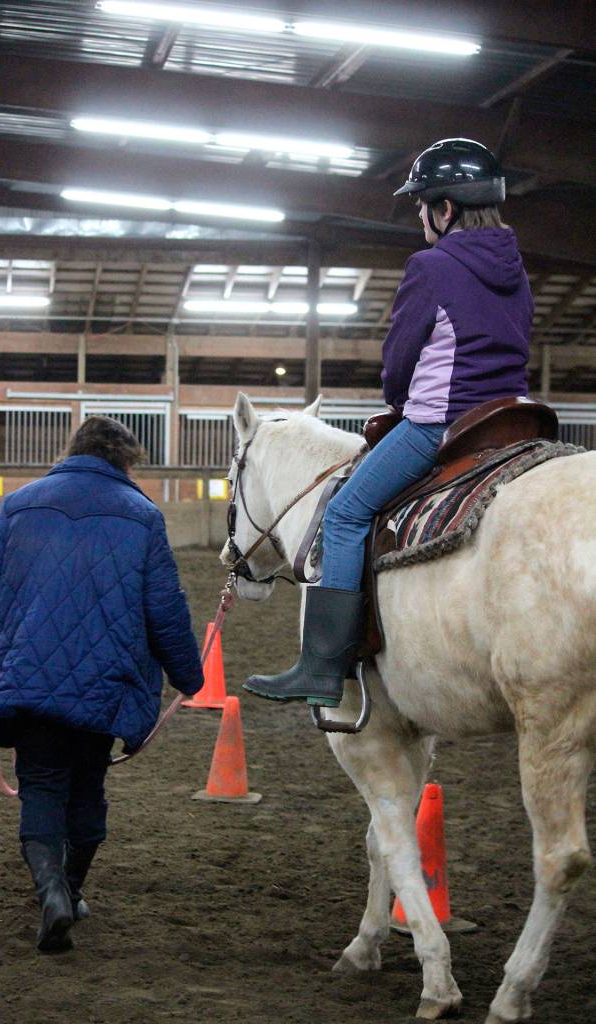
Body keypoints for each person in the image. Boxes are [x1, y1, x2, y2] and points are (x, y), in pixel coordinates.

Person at [244, 138, 533, 709]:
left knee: (347, 510)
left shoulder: (430, 265)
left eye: (422, 203)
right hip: (510, 422)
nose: (420, 215)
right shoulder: (516, 268)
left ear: (444, 209)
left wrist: (399, 400)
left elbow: (401, 357)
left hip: (441, 424)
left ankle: (322, 666)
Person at [0, 416, 204, 953]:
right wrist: (190, 676)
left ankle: (50, 891)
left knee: (42, 784)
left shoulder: (20, 504)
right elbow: (164, 608)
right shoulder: (143, 516)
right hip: (105, 683)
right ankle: (70, 889)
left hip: (27, 674)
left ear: (74, 450)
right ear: (124, 459)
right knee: (87, 787)